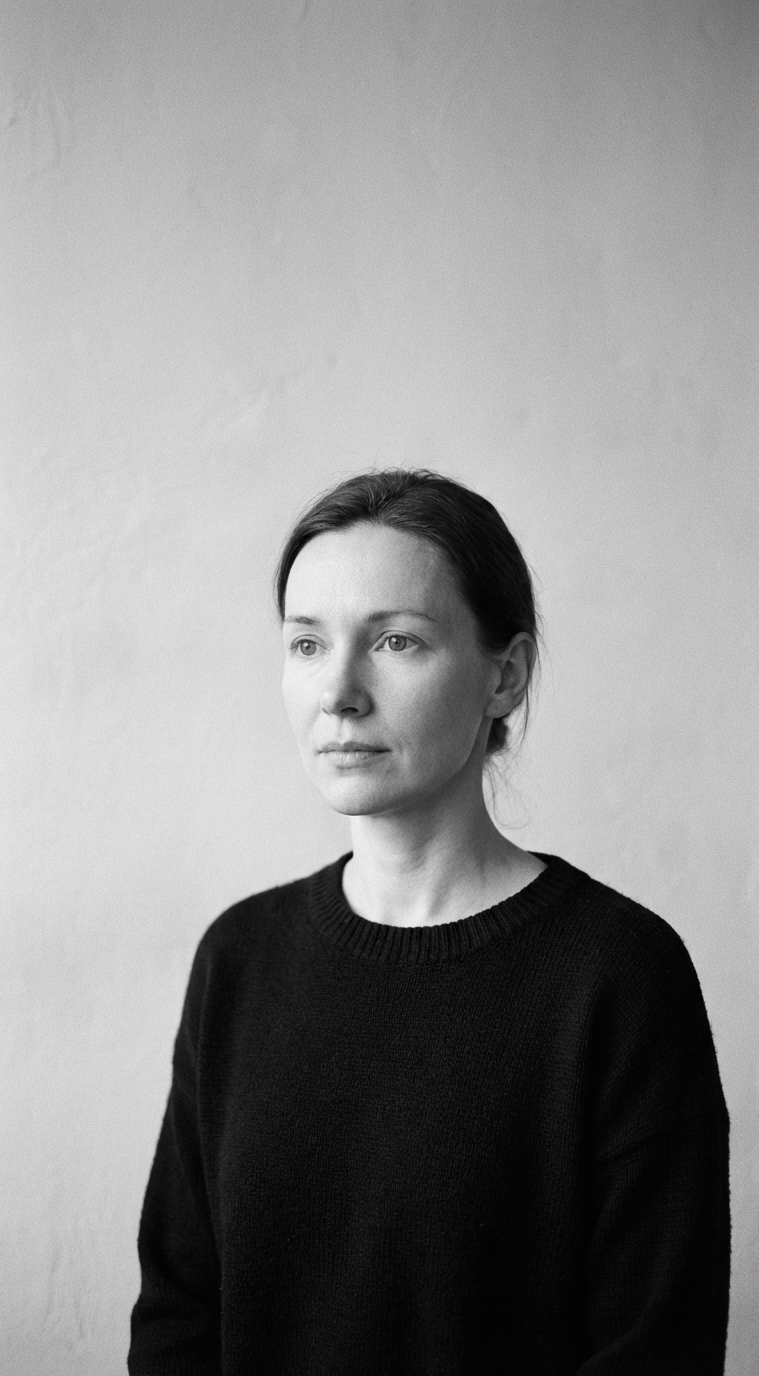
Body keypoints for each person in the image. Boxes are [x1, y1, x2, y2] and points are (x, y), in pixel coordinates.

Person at [128, 469, 730, 1375]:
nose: (338, 692)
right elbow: (179, 1313)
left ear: (507, 674)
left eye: (397, 641)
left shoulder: (618, 974)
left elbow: (656, 1349)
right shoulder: (240, 959)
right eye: (305, 644)